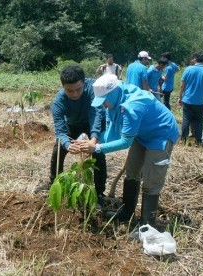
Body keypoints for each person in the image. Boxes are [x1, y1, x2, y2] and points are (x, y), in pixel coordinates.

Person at [76, 73, 179, 228]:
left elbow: (125, 142)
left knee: (152, 179)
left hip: (161, 135)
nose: (103, 105)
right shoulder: (117, 98)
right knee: (132, 170)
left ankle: (147, 223)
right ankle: (127, 212)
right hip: (142, 134)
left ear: (112, 93)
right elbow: (113, 129)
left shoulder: (132, 105)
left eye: (104, 101)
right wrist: (94, 140)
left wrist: (96, 148)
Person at [34, 65, 108, 203]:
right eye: (70, 91)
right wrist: (68, 145)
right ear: (63, 87)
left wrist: (93, 139)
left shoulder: (93, 88)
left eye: (78, 89)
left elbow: (96, 114)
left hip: (91, 123)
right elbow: (60, 131)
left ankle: (99, 193)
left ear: (84, 83)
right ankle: (55, 184)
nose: (74, 94)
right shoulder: (58, 102)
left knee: (98, 153)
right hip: (72, 125)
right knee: (58, 151)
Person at [178, 52, 203, 145]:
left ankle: (184, 139)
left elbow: (182, 86)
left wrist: (180, 97)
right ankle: (198, 140)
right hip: (200, 101)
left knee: (186, 119)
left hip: (187, 100)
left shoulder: (188, 69)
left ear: (195, 59)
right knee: (198, 121)